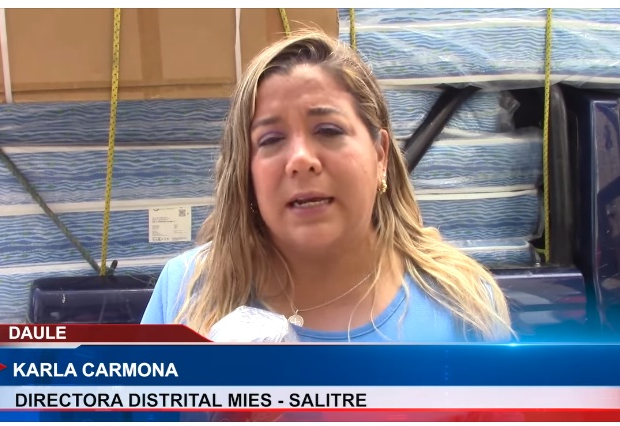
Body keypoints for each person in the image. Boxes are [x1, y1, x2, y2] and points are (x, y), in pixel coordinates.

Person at [142, 29, 514, 343]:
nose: (301, 159)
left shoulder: (464, 307)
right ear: (246, 172)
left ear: (380, 155)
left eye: (329, 130)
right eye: (271, 139)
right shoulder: (183, 292)